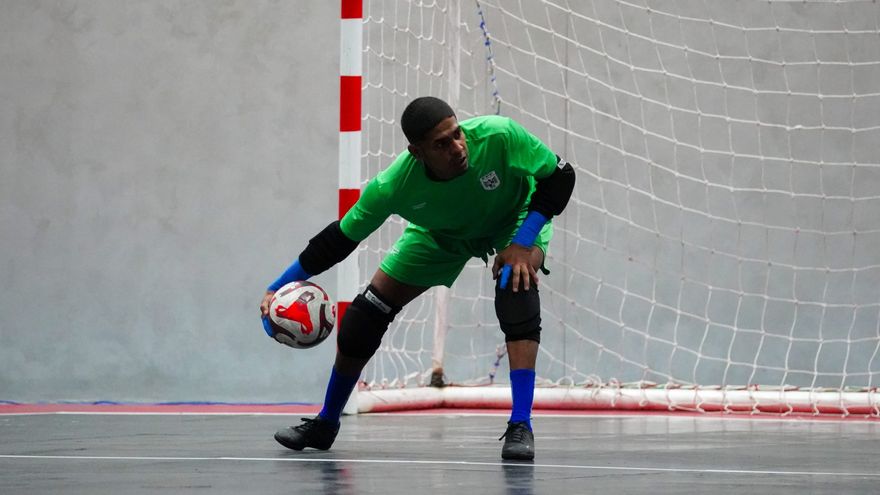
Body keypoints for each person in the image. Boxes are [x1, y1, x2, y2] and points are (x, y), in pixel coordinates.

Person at [259, 96, 575, 460]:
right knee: (365, 315)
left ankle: (521, 424)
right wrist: (277, 286)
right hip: (440, 235)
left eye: (457, 134)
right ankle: (326, 422)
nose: (457, 147)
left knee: (515, 284)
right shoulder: (393, 186)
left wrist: (522, 243)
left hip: (516, 221)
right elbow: (339, 239)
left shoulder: (499, 136)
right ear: (417, 152)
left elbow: (561, 176)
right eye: (441, 144)